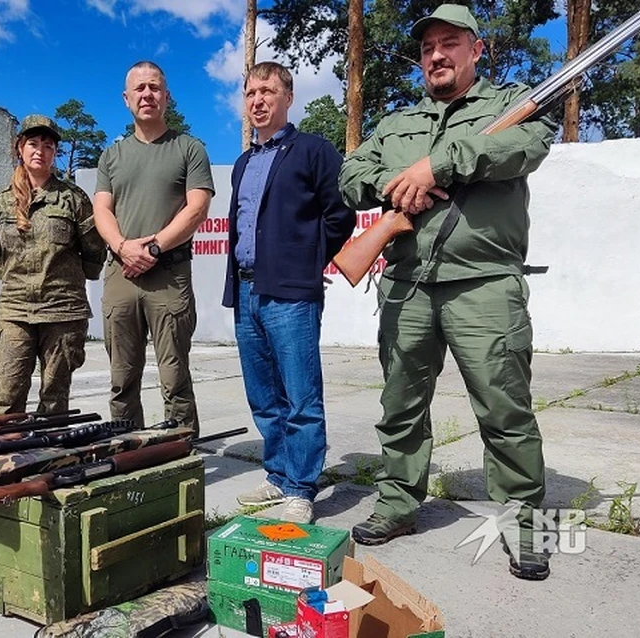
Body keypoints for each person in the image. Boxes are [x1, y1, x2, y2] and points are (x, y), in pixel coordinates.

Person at [339, 5, 557, 580]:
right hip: (407, 284)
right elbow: (349, 178)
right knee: (400, 406)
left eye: (450, 43)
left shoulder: (511, 106)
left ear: (475, 49)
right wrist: (395, 184)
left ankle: (524, 523)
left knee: (504, 409)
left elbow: (527, 147)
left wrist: (438, 164)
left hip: (484, 283)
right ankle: (397, 504)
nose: (436, 54)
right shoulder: (395, 123)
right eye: (428, 46)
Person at [223, 62, 355, 524]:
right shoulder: (244, 163)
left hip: (291, 295)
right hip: (246, 292)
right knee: (265, 397)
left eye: (268, 91)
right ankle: (277, 474)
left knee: (301, 396)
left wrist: (308, 260)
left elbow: (341, 215)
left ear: (287, 98)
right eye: (251, 93)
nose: (258, 100)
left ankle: (301, 486)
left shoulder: (314, 151)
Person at [93, 61, 214, 435]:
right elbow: (102, 208)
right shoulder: (111, 156)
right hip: (120, 275)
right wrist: (122, 247)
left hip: (169, 275)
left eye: (155, 87)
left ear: (167, 96)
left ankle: (179, 454)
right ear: (126, 99)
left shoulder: (189, 149)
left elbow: (197, 208)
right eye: (140, 89)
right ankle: (128, 453)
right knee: (121, 378)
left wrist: (154, 249)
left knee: (174, 375)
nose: (148, 95)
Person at [0, 115, 106, 416]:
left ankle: (51, 462)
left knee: (54, 400)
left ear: (54, 153)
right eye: (33, 144)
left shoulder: (73, 199)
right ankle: (3, 461)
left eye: (48, 146)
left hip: (62, 310)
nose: (40, 150)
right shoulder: (2, 202)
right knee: (6, 398)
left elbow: (94, 251)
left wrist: (68, 278)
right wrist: (17, 278)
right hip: (16, 310)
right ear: (20, 149)